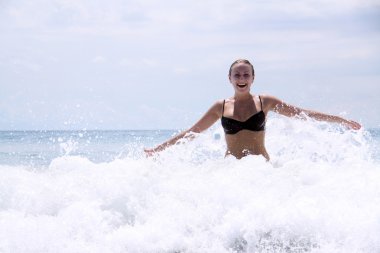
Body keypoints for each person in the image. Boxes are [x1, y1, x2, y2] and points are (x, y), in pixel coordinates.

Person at [144, 59, 361, 160]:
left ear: (253, 78)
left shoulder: (264, 101)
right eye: (237, 75)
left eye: (246, 75)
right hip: (232, 171)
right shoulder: (220, 106)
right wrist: (158, 149)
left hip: (261, 172)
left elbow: (303, 114)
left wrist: (341, 121)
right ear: (229, 78)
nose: (241, 79)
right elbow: (191, 133)